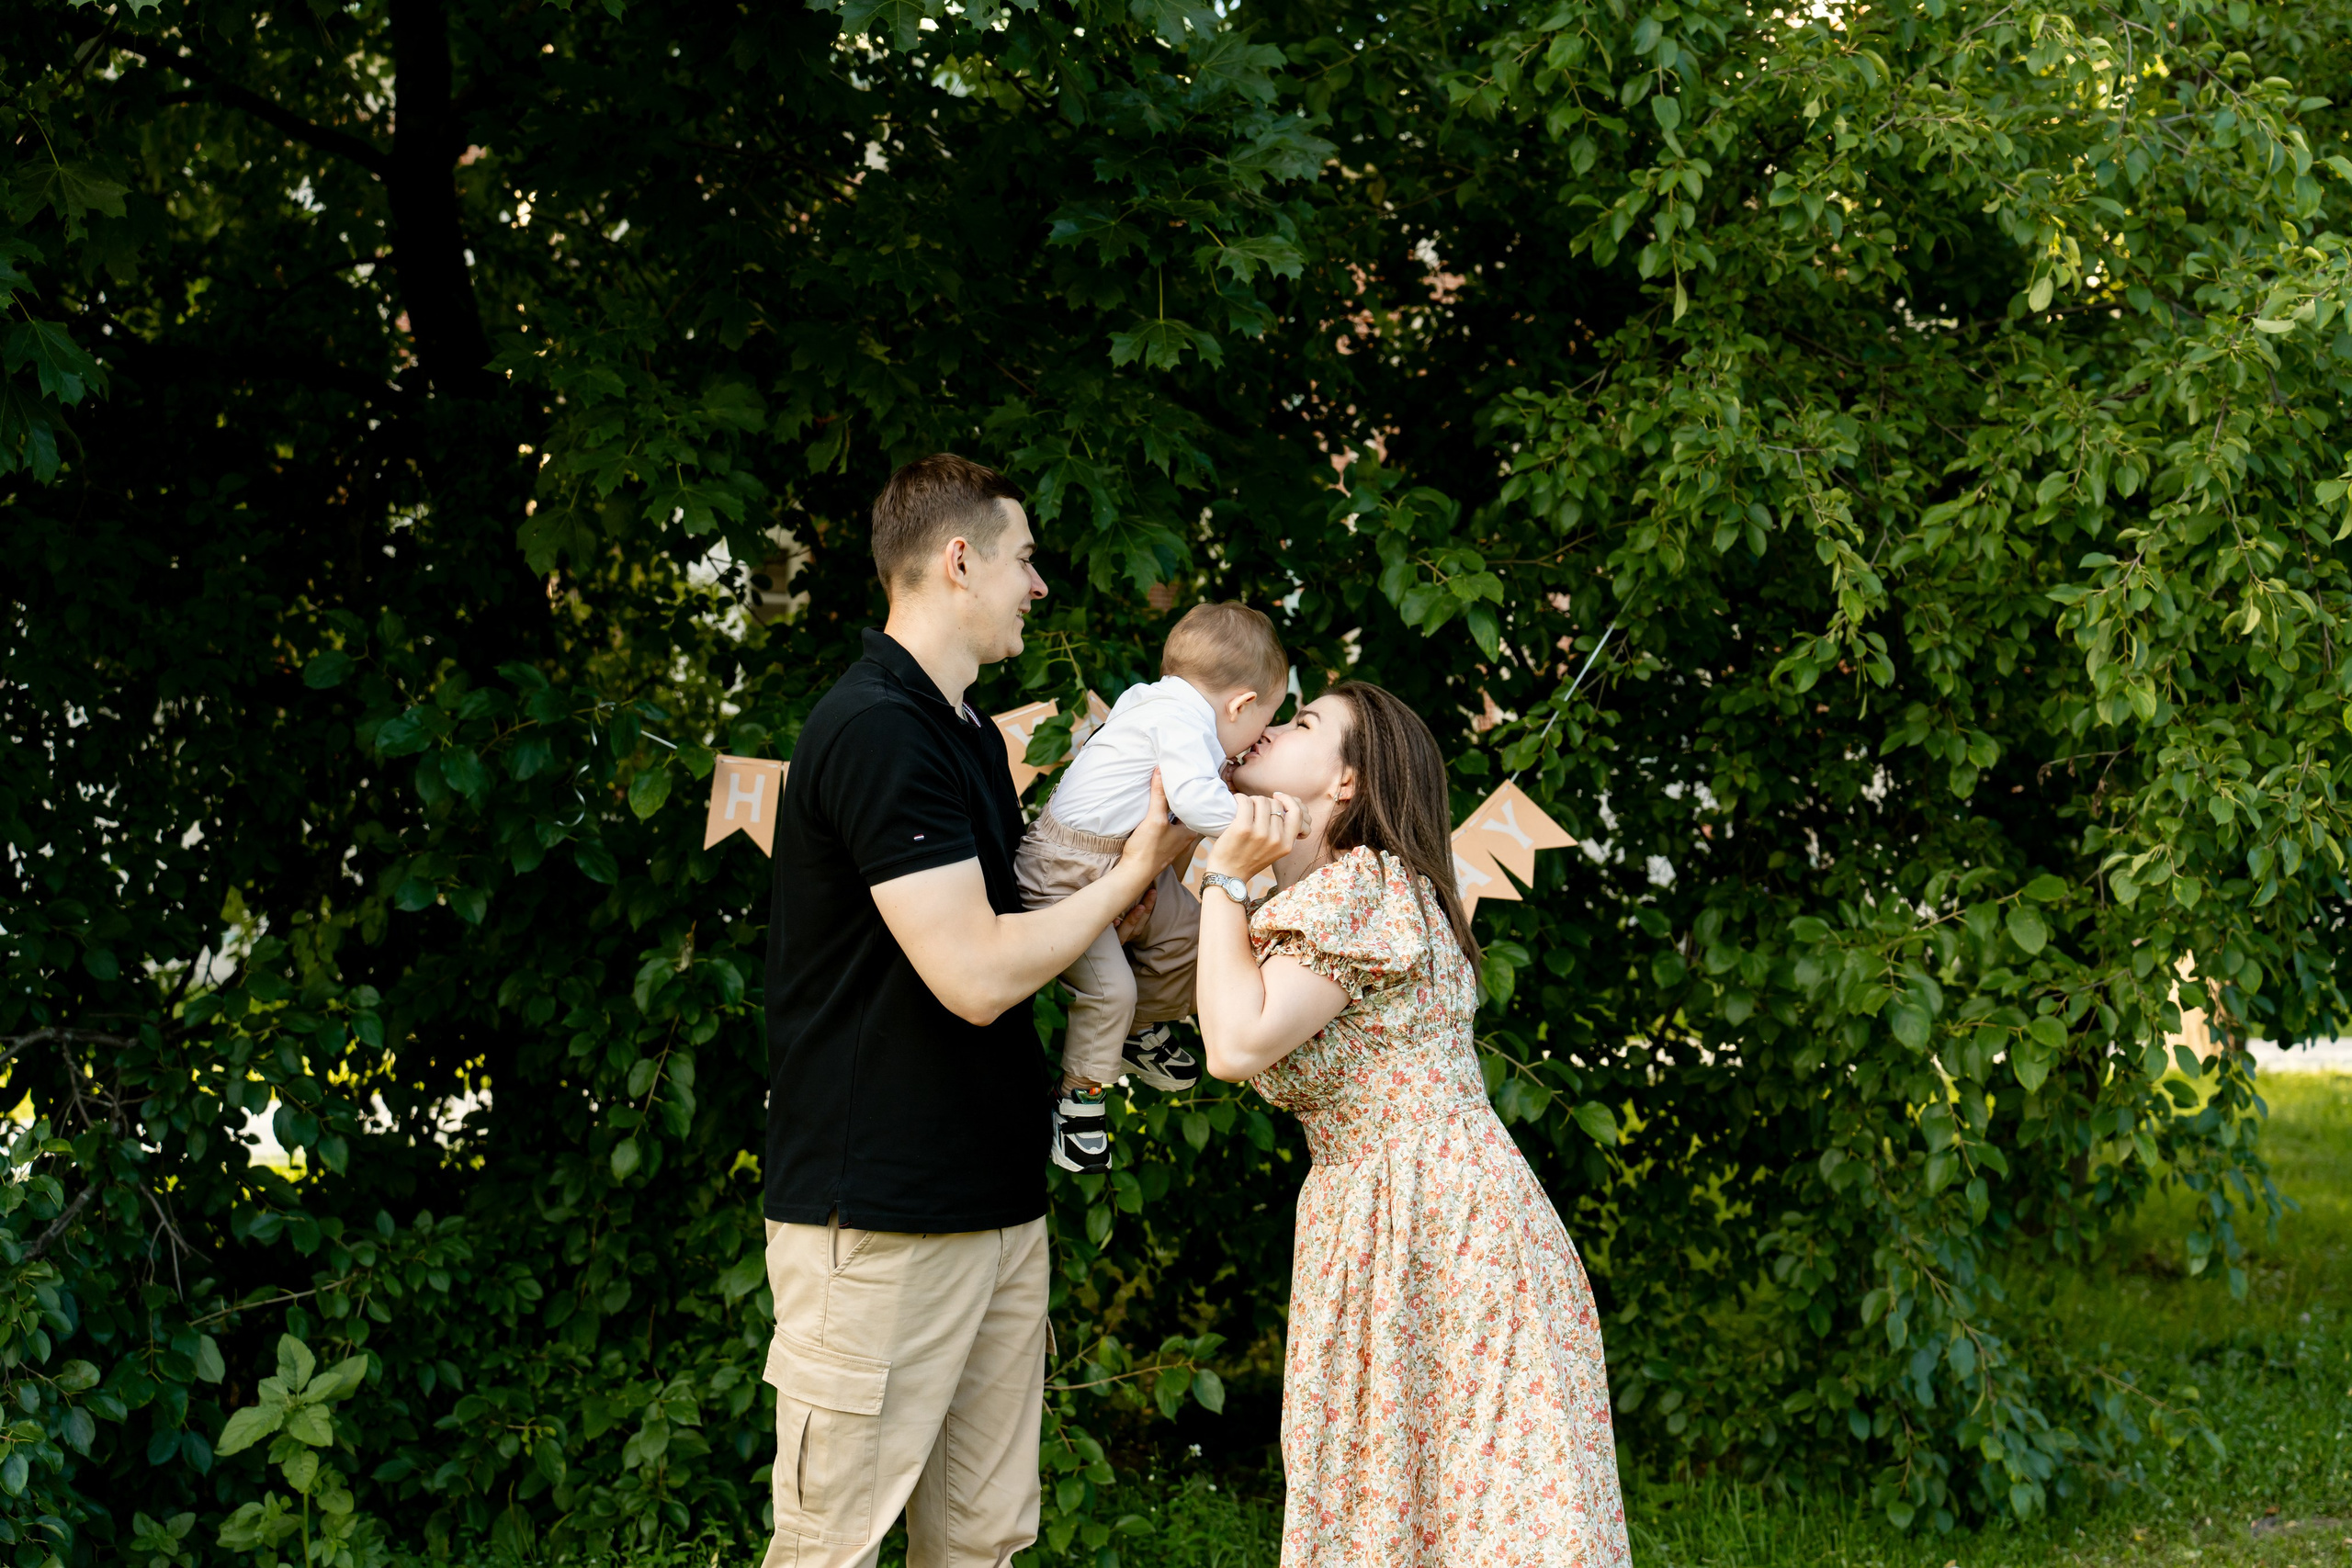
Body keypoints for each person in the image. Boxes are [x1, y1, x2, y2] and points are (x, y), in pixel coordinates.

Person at [760, 453, 1189, 1568]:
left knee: (981, 1542)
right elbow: (976, 974)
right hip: (882, 1216)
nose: (1037, 586)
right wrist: (1129, 872)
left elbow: (1018, 932)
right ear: (960, 560)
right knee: (831, 1548)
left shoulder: (959, 733)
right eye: (1024, 559)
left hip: (996, 1207)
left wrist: (1131, 910)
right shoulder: (875, 729)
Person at [1192, 682, 1632, 1568]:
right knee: (1409, 1487)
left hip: (1435, 1215)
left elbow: (1234, 1044)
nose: (1271, 727)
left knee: (1472, 1498)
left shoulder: (1360, 886)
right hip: (1385, 1208)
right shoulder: (1321, 899)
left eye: (1304, 722)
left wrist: (1224, 879)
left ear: (1346, 783)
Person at [1018, 600, 1290, 1173]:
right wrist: (1264, 823)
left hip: (1127, 859)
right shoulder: (1180, 721)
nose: (1261, 737)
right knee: (1109, 988)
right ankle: (1078, 1098)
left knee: (1193, 937)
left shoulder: (1154, 701)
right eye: (1266, 721)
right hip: (1065, 871)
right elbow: (1196, 804)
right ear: (1241, 704)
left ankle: (1138, 1029)